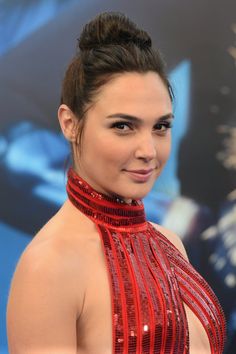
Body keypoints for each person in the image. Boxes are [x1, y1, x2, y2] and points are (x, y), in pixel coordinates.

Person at [6, 12, 226, 354]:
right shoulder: (49, 267)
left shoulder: (172, 243)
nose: (148, 150)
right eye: (123, 126)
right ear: (70, 124)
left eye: (161, 127)